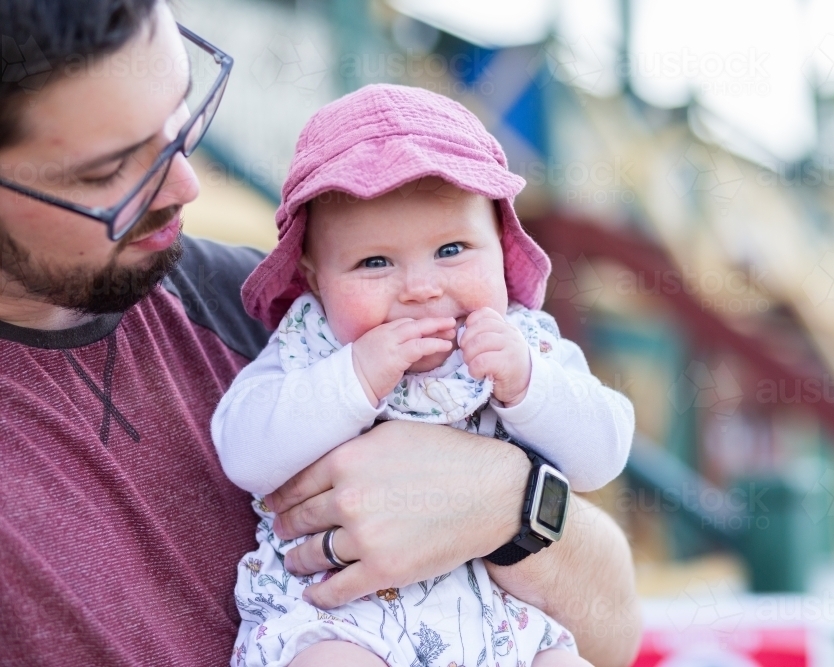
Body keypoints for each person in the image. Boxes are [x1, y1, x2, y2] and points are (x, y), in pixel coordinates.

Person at [0, 2, 640, 666]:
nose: (184, 184)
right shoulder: (319, 343)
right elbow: (250, 445)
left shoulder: (255, 306)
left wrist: (511, 501)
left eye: (180, 115)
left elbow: (614, 628)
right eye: (107, 174)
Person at [211, 84, 636, 667]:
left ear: (501, 249)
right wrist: (352, 381)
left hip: (502, 623)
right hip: (344, 615)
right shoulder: (313, 345)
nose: (420, 287)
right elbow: (243, 451)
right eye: (375, 262)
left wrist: (529, 385)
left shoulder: (520, 338)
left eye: (453, 249)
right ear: (314, 279)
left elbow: (603, 453)